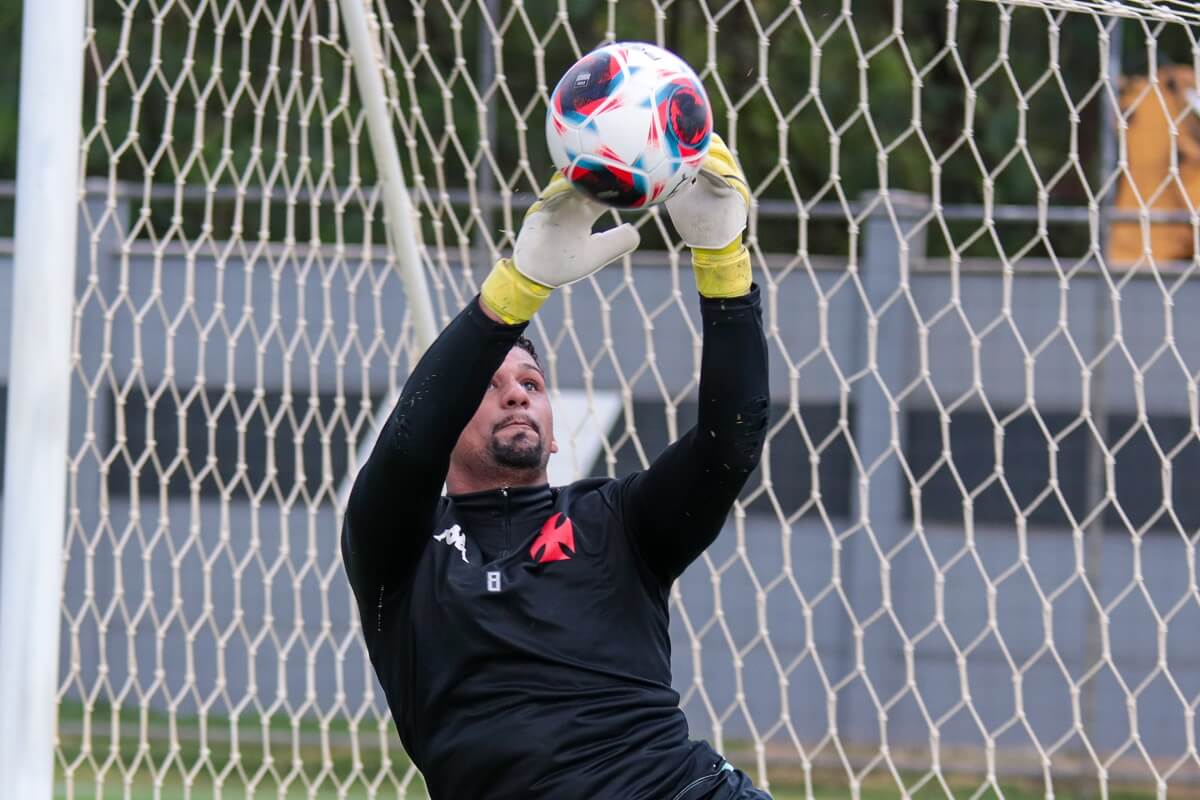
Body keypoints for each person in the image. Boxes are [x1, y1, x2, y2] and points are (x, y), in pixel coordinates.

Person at [341, 134, 771, 799]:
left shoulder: (619, 521)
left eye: (532, 383)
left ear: (556, 435)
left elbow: (730, 444)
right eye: (488, 381)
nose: (515, 391)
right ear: (449, 411)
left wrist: (722, 257)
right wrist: (518, 286)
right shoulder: (398, 551)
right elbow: (405, 449)